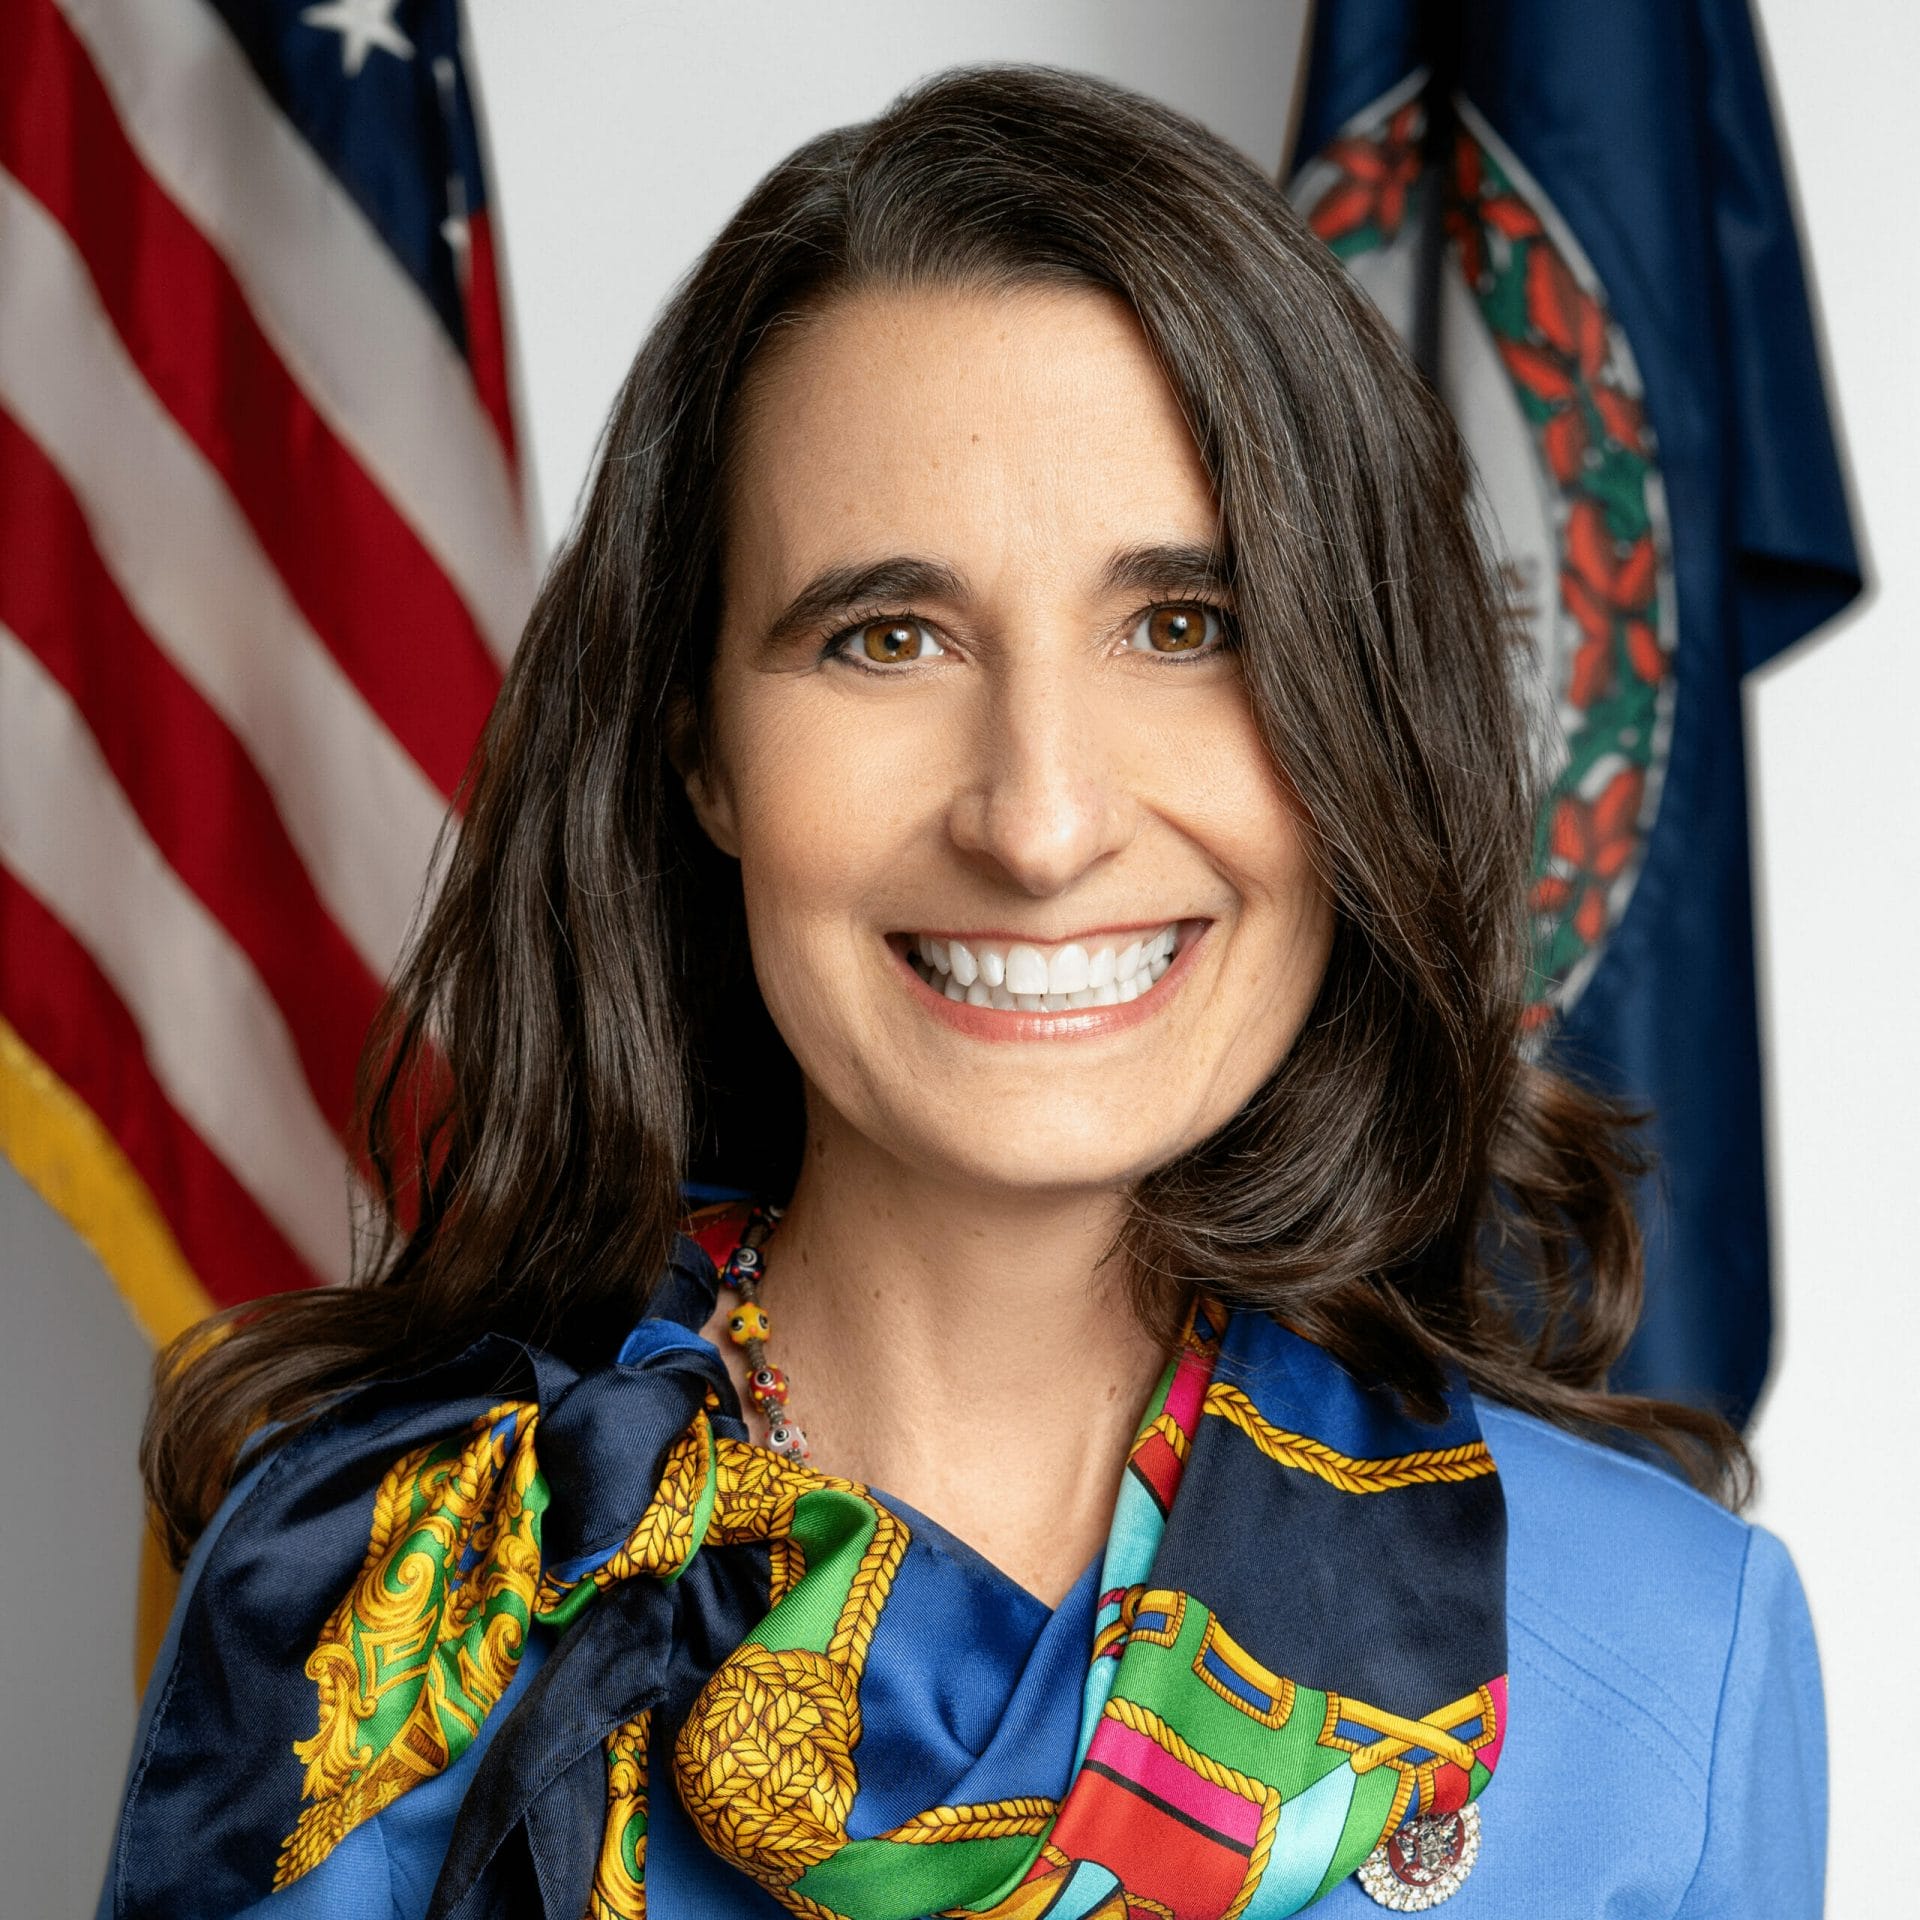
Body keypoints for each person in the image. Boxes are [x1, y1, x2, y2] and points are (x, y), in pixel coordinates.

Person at [99, 63, 1823, 1920]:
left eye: (1184, 628)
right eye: (888, 637)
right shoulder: (381, 1592)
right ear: (700, 751)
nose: (1040, 820)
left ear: (1361, 713)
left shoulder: (1672, 1662)